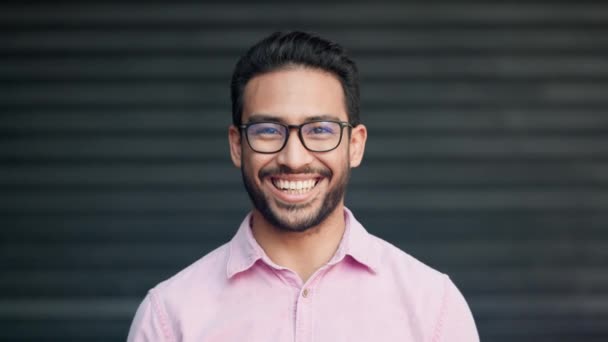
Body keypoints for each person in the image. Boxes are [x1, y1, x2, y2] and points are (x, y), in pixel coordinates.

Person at [127, 31, 479, 342]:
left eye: (320, 130)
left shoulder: (434, 307)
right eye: (267, 130)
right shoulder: (169, 318)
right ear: (237, 145)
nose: (294, 159)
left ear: (355, 145)